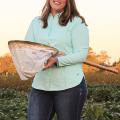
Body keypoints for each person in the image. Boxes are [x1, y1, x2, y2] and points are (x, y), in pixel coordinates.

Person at [24, 0, 89, 120]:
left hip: (70, 85)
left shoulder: (77, 22)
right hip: (41, 85)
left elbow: (82, 54)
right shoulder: (36, 22)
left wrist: (57, 61)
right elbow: (28, 49)